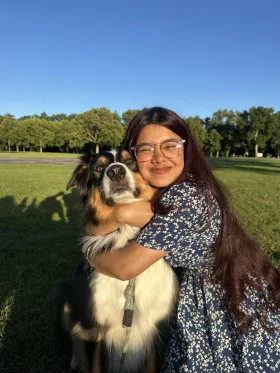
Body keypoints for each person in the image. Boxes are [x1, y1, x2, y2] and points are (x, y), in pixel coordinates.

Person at [83, 107, 280, 372]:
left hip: (230, 309)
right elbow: (103, 224)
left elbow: (123, 267)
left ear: (186, 148)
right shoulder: (182, 188)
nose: (158, 158)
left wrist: (90, 253)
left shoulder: (185, 199)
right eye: (146, 149)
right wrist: (119, 213)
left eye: (170, 145)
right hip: (215, 294)